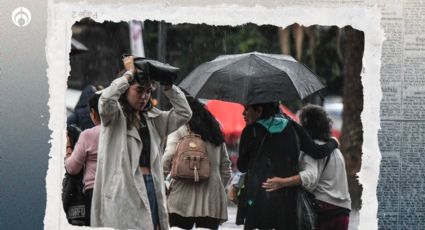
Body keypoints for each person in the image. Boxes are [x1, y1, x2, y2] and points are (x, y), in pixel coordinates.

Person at [91, 56, 192, 230]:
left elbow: (184, 113)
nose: (144, 96)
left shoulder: (153, 118)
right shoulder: (114, 116)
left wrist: (168, 86)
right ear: (125, 90)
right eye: (139, 91)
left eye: (148, 91)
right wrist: (129, 75)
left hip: (151, 184)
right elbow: (105, 101)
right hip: (124, 189)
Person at [236, 102, 339, 230]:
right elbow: (317, 152)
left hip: (259, 199)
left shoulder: (250, 131)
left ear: (259, 110)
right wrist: (333, 143)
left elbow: (242, 167)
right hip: (287, 201)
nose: (243, 113)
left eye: (247, 109)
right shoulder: (293, 127)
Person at [262, 105, 351, 230]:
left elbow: (310, 176)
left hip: (322, 212)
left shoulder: (311, 150)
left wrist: (282, 182)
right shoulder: (336, 151)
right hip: (343, 212)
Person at [162, 94, 232, 230]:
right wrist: (216, 186)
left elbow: (167, 158)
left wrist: (161, 183)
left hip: (182, 196)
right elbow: (226, 167)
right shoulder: (215, 131)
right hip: (212, 199)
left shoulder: (178, 129)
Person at [65, 93, 101, 226]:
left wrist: (69, 149)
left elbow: (73, 168)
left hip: (93, 193)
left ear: (93, 113)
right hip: (116, 191)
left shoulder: (88, 135)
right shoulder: (120, 133)